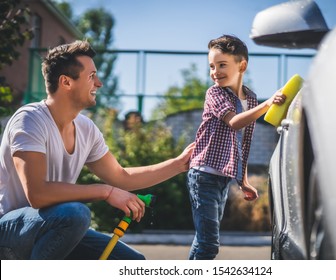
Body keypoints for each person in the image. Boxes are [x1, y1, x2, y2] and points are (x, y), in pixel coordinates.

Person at [0, 40, 195, 260]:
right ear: (66, 82)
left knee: (132, 263)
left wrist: (180, 163)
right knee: (76, 213)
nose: (99, 83)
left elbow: (121, 176)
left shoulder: (86, 129)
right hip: (10, 233)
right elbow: (38, 194)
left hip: (56, 227)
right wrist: (106, 191)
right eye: (92, 76)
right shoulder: (30, 119)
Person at [186, 34, 286, 260]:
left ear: (242, 65)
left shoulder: (249, 98)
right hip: (202, 176)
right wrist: (268, 103)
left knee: (203, 241)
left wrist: (243, 180)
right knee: (209, 245)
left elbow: (245, 141)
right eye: (212, 66)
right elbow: (234, 122)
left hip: (222, 179)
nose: (215, 71)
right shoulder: (214, 93)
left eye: (222, 65)